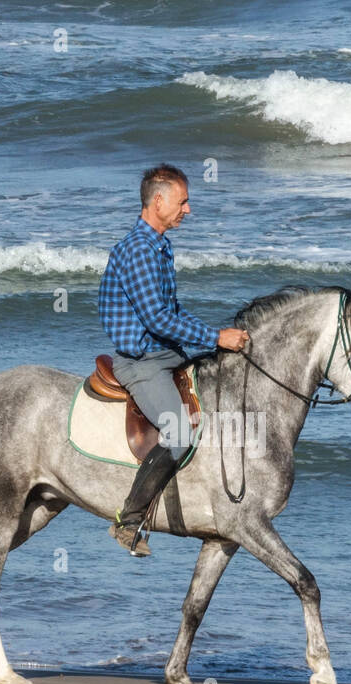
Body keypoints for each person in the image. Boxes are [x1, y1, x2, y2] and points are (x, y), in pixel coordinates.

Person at [98, 164, 249, 556]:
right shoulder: (137, 250)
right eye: (183, 202)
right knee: (179, 434)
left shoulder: (160, 246)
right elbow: (157, 318)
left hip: (167, 352)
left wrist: (216, 340)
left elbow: (176, 312)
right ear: (159, 200)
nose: (188, 210)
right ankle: (129, 521)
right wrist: (216, 337)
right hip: (142, 362)